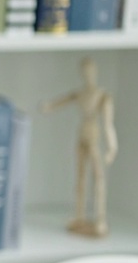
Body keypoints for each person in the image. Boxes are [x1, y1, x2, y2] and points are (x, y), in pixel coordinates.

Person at [40, 56, 117, 237]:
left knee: (98, 177)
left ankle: (100, 218)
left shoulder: (102, 96)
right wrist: (48, 106)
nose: (87, 75)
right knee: (80, 176)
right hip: (81, 134)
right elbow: (62, 101)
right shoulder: (80, 93)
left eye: (90, 71)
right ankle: (79, 215)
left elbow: (108, 124)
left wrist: (112, 147)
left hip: (94, 135)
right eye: (85, 72)